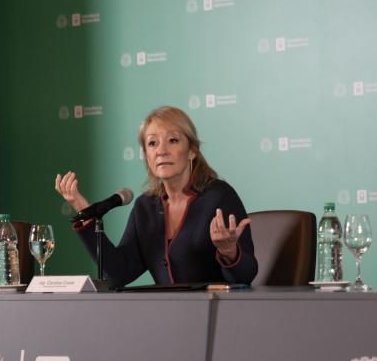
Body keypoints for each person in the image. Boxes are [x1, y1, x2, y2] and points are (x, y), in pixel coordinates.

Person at [55, 106, 257, 288]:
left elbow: (246, 276)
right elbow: (119, 273)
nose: (161, 151)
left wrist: (229, 251)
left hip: (215, 317)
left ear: (192, 151)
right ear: (146, 155)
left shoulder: (219, 197)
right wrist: (83, 208)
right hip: (164, 318)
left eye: (173, 140)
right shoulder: (146, 206)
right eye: (152, 143)